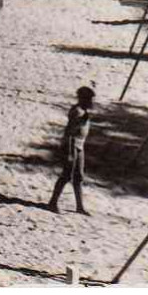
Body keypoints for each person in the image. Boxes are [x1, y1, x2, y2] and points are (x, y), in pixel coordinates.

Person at [47, 86, 95, 215]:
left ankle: (80, 207)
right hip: (72, 145)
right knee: (66, 175)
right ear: (83, 99)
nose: (92, 102)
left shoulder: (83, 111)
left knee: (78, 177)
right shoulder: (77, 112)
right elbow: (69, 133)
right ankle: (52, 202)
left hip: (80, 146)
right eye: (90, 99)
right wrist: (69, 153)